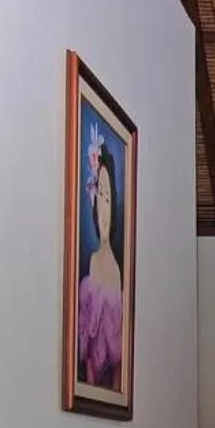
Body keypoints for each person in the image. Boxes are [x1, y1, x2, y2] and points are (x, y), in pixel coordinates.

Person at [79, 132, 126, 391]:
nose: (104, 207)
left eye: (108, 197)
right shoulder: (93, 264)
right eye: (100, 197)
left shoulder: (117, 271)